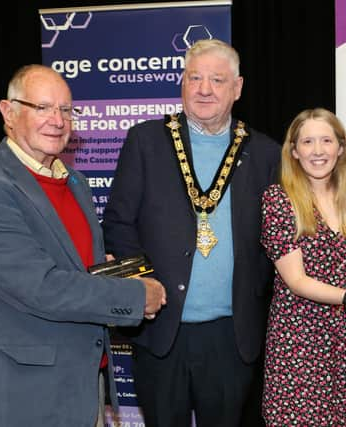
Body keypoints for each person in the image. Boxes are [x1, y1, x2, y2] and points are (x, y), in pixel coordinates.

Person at [0, 64, 166, 427]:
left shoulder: (73, 181)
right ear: (8, 112)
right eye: (43, 107)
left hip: (82, 385)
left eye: (66, 110)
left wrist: (107, 269)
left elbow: (75, 267)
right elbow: (41, 287)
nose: (58, 120)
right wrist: (133, 296)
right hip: (23, 397)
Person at [101, 39, 281, 427]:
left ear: (238, 88)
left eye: (217, 80)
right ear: (181, 83)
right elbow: (117, 224)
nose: (204, 89)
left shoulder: (266, 154)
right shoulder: (145, 141)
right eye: (194, 77)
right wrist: (142, 287)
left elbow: (279, 240)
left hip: (233, 335)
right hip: (161, 331)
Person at [259, 108, 346, 426]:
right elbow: (296, 280)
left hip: (345, 342)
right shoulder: (279, 200)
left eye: (326, 140)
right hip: (297, 345)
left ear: (341, 148)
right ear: (294, 151)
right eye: (307, 142)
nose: (318, 150)